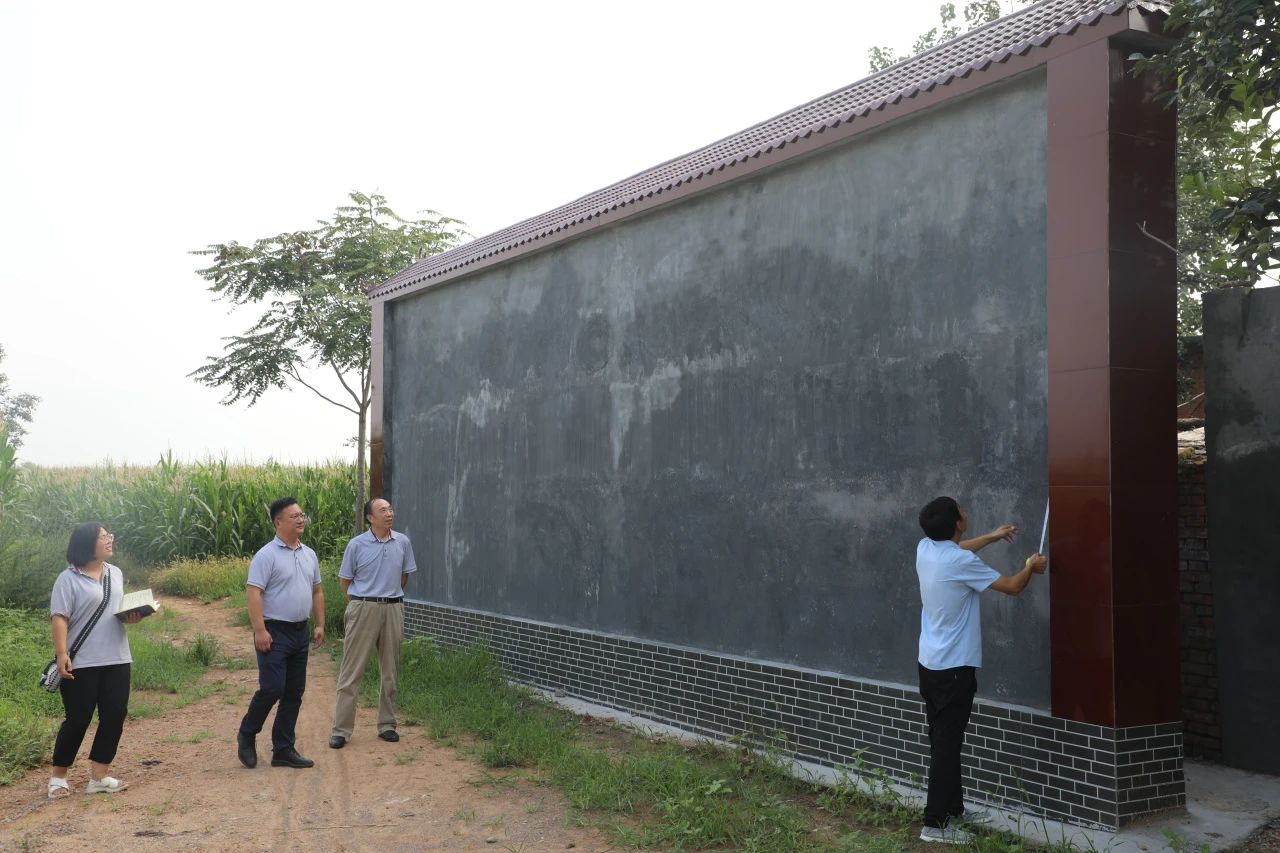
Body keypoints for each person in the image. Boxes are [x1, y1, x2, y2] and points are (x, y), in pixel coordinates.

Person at [914, 496, 1046, 845]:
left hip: (930, 664)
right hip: (954, 670)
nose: (965, 511)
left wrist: (991, 536)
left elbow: (956, 549)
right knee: (946, 746)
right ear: (957, 522)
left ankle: (954, 810)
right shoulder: (959, 561)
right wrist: (1030, 566)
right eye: (961, 509)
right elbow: (1012, 587)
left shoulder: (925, 548)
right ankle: (934, 824)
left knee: (944, 741)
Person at [48, 523, 143, 799]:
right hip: (82, 661)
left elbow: (115, 610)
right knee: (78, 719)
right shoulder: (67, 579)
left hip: (117, 657)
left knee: (114, 715)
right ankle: (58, 777)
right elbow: (60, 617)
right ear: (87, 544)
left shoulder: (116, 573)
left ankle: (99, 777)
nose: (109, 540)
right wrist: (62, 653)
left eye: (109, 536)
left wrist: (132, 616)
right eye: (103, 537)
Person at [237, 497, 324, 770]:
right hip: (274, 631)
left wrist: (319, 624)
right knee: (273, 687)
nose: (301, 519)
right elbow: (254, 593)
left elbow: (317, 591)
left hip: (300, 631)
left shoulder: (309, 554)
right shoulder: (266, 555)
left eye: (302, 515)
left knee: (294, 692)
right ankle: (247, 733)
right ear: (278, 522)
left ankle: (283, 749)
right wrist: (259, 630)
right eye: (294, 516)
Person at [329, 497, 417, 749]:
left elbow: (403, 577)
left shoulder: (402, 542)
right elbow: (345, 582)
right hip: (363, 608)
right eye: (382, 510)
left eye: (390, 509)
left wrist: (387, 597)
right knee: (351, 671)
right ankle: (341, 730)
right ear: (370, 518)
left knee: (390, 671)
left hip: (393, 608)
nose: (389, 513)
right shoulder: (357, 545)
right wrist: (362, 603)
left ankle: (387, 725)